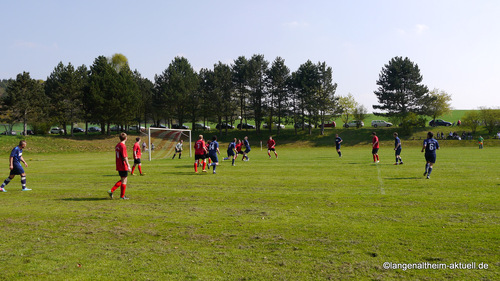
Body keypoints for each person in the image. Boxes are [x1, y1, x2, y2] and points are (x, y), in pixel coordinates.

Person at [108, 133, 132, 199]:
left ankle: (112, 191)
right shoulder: (123, 146)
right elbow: (125, 156)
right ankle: (121, 196)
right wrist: (128, 166)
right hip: (122, 165)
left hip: (118, 164)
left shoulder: (117, 145)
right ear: (126, 138)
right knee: (124, 180)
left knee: (122, 179)